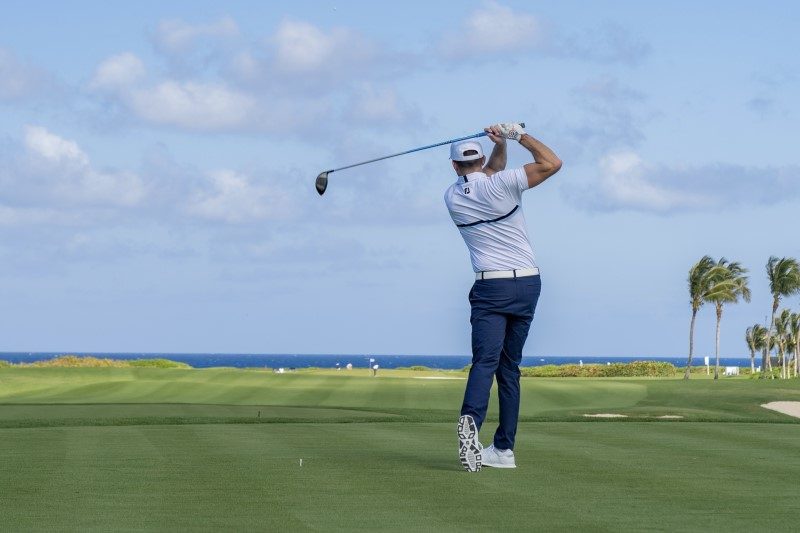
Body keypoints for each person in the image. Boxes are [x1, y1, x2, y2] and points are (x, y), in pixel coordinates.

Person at [445, 123, 561, 472]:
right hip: (527, 285)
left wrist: (499, 146)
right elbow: (551, 163)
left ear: (454, 167)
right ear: (480, 159)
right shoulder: (503, 183)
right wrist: (516, 136)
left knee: (485, 363)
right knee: (509, 368)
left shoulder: (451, 197)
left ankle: (471, 422)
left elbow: (487, 175)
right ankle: (504, 450)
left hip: (490, 287)